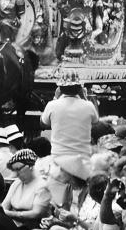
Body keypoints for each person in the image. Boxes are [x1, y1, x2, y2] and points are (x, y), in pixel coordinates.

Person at [39, 74, 98, 206]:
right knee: (80, 199)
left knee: (57, 202)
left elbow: (43, 123)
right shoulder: (88, 106)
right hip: (82, 160)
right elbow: (96, 121)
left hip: (59, 160)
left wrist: (55, 98)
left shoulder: (52, 104)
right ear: (79, 88)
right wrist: (84, 97)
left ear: (60, 88)